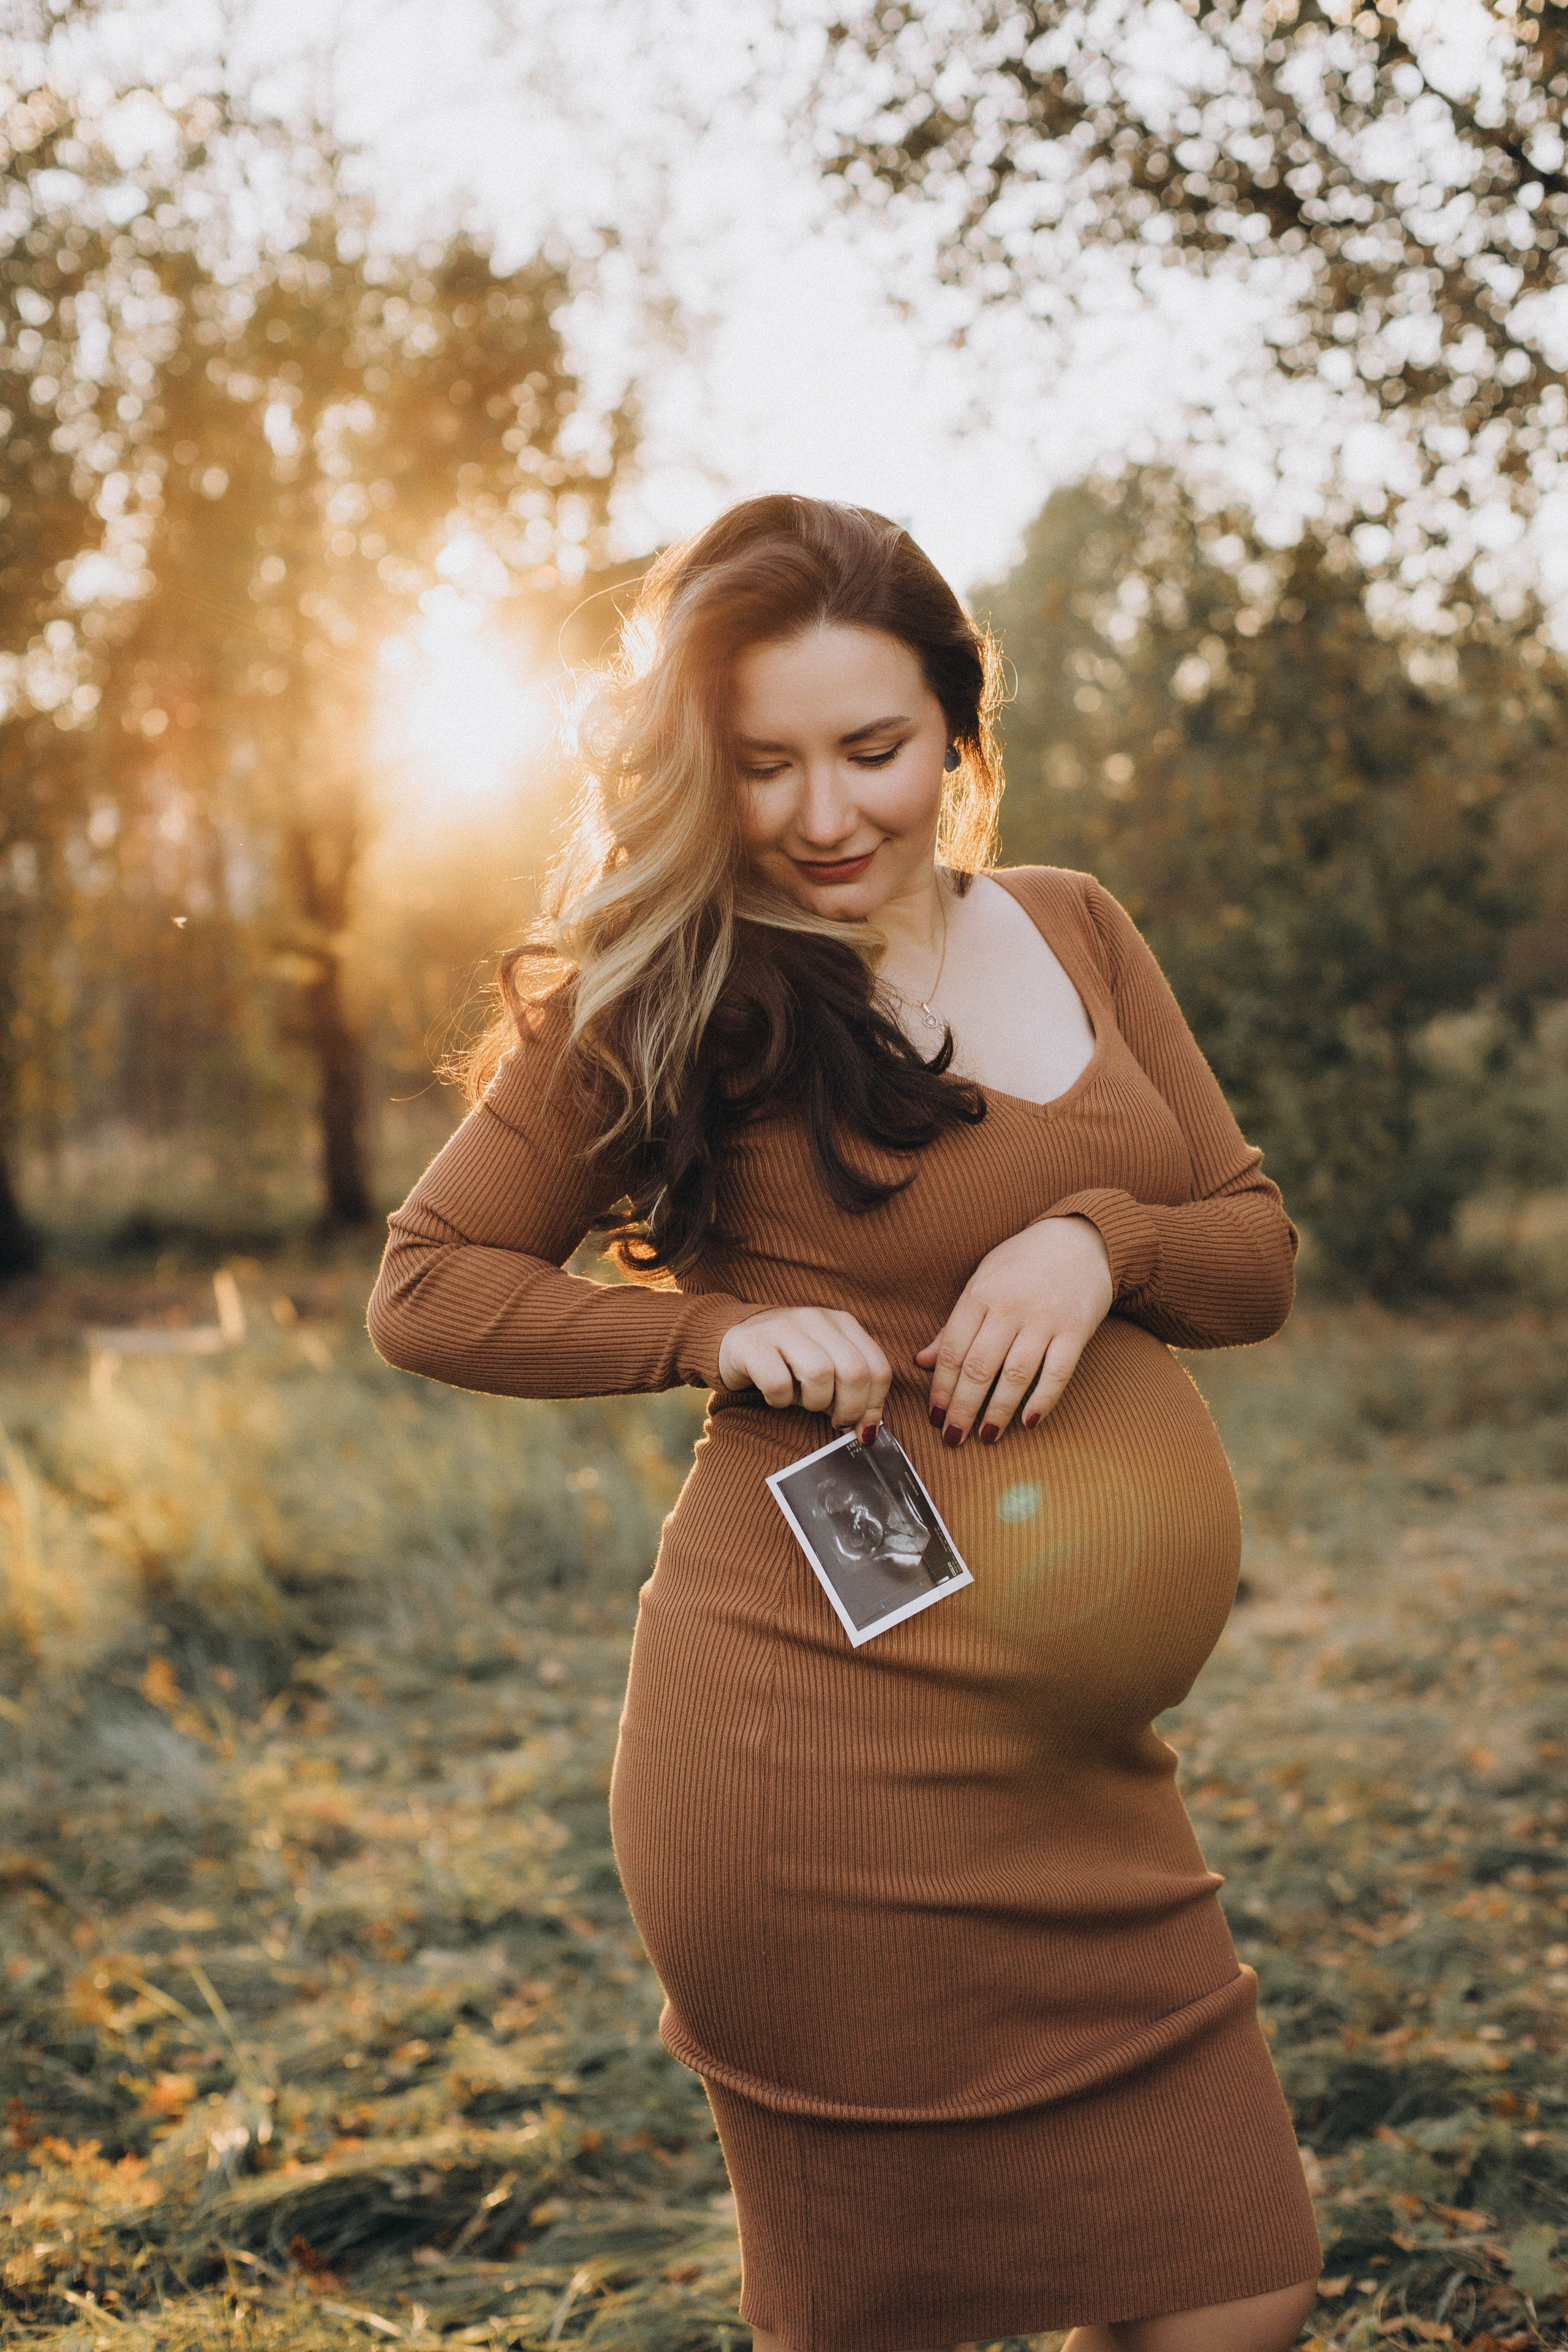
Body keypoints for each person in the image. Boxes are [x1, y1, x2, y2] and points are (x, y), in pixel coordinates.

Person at [367, 496, 1323, 2352]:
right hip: (809, 1763)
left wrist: (1091, 1240)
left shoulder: (1073, 929)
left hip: (1078, 1794)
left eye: (873, 751)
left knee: (1238, 2292)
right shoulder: (669, 989)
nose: (823, 816)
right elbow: (428, 1281)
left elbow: (1253, 1256)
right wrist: (706, 1333)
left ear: (960, 732)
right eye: (763, 767)